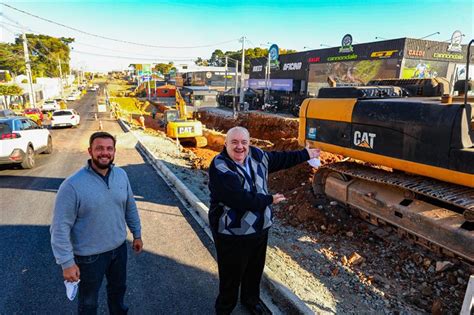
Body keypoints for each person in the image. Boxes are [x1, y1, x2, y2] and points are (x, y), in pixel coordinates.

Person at [208, 126, 320, 314]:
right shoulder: (220, 166)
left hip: (260, 229)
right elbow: (238, 199)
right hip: (232, 233)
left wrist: (306, 154)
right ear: (225, 143)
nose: (240, 147)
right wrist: (269, 199)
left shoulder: (258, 156)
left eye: (244, 142)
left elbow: (281, 159)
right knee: (231, 275)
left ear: (249, 143)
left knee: (254, 270)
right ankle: (225, 308)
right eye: (234, 142)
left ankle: (251, 301)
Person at [50, 131, 143, 314]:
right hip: (89, 256)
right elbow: (59, 227)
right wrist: (67, 262)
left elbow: (130, 206)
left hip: (118, 249)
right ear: (90, 151)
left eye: (109, 148)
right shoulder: (72, 185)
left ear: (114, 151)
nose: (104, 153)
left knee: (118, 292)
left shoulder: (121, 175)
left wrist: (137, 234)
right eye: (99, 148)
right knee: (89, 302)